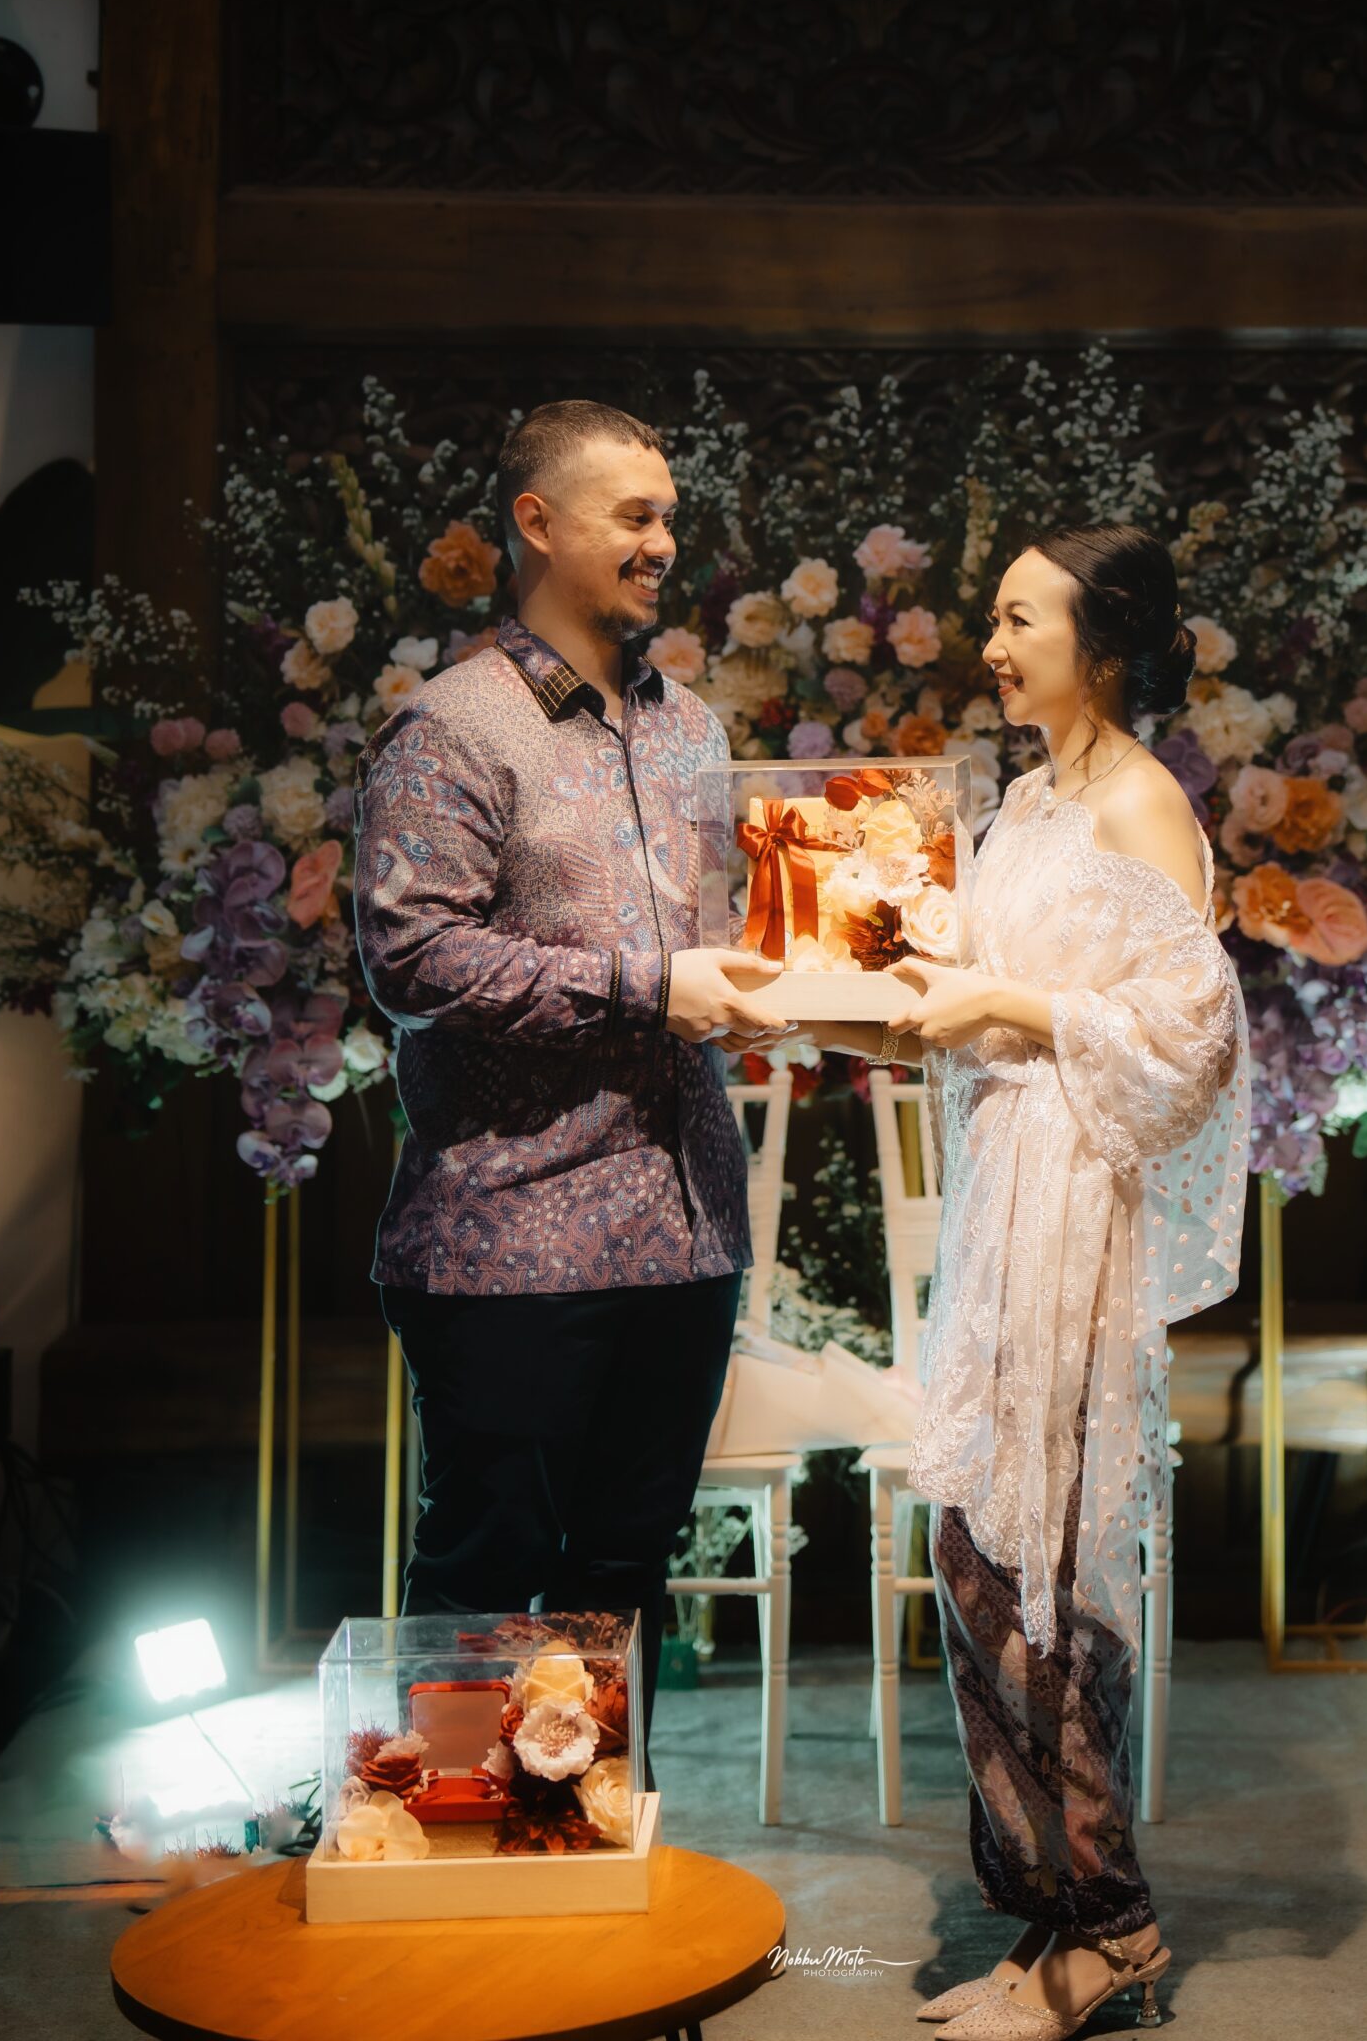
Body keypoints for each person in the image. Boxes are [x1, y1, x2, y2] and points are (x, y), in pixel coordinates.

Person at [814, 520, 1249, 2040]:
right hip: (1005, 1198)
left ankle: (1112, 1925)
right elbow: (976, 1013)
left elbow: (1190, 1042)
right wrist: (820, 1004)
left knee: (1042, 1566)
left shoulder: (1141, 802)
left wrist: (1012, 999)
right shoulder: (1025, 803)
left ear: (1101, 640)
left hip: (1076, 1213)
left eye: (1019, 620)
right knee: (975, 1550)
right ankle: (1052, 1908)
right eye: (992, 619)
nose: (991, 647)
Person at [352, 398, 789, 1767]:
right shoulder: (453, 728)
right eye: (635, 516)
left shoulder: (691, 731)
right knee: (487, 1575)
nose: (664, 543)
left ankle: (601, 1855)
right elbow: (411, 958)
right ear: (536, 523)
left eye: (670, 517)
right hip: (511, 1238)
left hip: (683, 1233)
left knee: (627, 1580)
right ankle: (457, 1861)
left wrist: (826, 975)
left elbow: (721, 939)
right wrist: (646, 986)